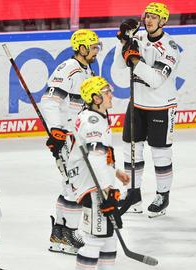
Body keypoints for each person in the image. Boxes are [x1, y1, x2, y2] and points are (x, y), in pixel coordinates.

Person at [112, 2, 181, 217]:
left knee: (160, 154)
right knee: (131, 150)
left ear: (163, 21)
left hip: (161, 106)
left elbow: (154, 80)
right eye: (147, 16)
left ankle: (163, 196)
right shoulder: (138, 38)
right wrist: (122, 40)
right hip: (137, 104)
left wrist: (134, 58)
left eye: (154, 17)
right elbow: (118, 66)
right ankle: (133, 193)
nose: (149, 20)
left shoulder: (170, 48)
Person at [40, 29, 102, 255]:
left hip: (78, 135)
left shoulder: (86, 68)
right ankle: (68, 234)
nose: (96, 51)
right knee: (75, 185)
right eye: (93, 47)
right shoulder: (69, 68)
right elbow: (49, 100)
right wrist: (57, 131)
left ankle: (61, 234)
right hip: (68, 137)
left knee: (70, 185)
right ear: (82, 48)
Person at [67, 76, 130, 270]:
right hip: (92, 186)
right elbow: (94, 158)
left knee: (108, 239)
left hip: (96, 182)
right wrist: (107, 190)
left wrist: (115, 170)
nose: (111, 95)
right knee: (94, 240)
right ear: (95, 98)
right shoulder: (93, 120)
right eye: (106, 93)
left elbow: (100, 155)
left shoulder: (96, 116)